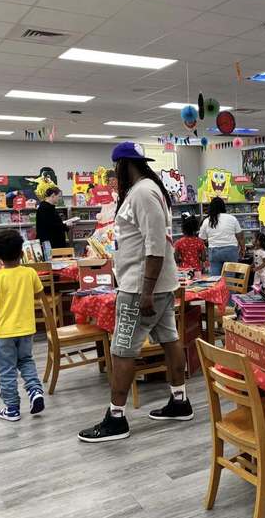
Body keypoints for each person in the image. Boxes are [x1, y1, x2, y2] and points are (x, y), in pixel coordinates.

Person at [78, 142, 190, 444]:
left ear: (123, 165)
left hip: (142, 287)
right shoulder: (146, 190)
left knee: (122, 349)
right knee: (169, 339)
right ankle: (179, 400)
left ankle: (116, 417)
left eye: (115, 170)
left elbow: (155, 246)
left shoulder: (142, 193)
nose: (114, 176)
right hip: (153, 284)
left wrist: (146, 291)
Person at [0, 229, 45, 421]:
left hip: (3, 333)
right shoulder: (30, 273)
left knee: (7, 369)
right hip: (26, 329)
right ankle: (35, 391)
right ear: (22, 252)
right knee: (26, 360)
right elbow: (38, 293)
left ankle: (12, 409)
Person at [199, 197, 245, 276]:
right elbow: (240, 236)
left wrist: (207, 246)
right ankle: (229, 288)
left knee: (215, 279)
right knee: (230, 280)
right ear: (223, 206)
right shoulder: (232, 218)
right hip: (230, 251)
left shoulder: (207, 221)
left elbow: (201, 238)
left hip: (214, 251)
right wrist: (243, 249)